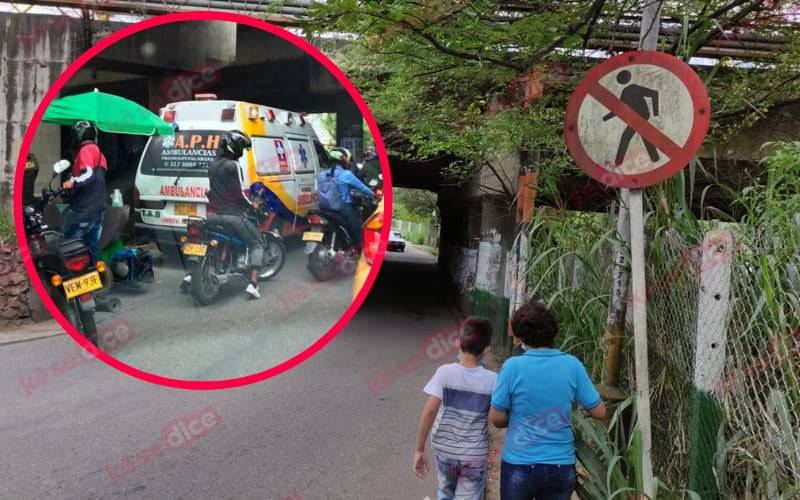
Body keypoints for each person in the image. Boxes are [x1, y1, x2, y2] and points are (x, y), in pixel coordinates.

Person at [489, 300, 606, 500]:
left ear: (521, 335)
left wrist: (519, 417)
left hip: (519, 464)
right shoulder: (572, 365)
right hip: (560, 466)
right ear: (552, 331)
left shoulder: (512, 367)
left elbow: (496, 418)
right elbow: (600, 412)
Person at [413, 317, 498, 500]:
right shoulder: (493, 380)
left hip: (444, 449)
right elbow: (495, 416)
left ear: (457, 343)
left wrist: (419, 449)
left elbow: (429, 411)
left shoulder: (444, 372)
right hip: (473, 454)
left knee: (445, 492)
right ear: (487, 349)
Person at [183, 130, 264, 299]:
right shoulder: (232, 166)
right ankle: (253, 284)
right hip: (232, 216)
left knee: (203, 240)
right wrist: (252, 205)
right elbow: (238, 194)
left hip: (210, 214)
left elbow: (216, 189)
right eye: (241, 148)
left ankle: (190, 274)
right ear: (235, 148)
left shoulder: (213, 164)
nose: (242, 152)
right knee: (257, 243)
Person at [61, 120, 108, 265]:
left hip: (83, 209)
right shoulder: (100, 154)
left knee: (70, 245)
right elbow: (98, 177)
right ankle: (94, 274)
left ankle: (73, 279)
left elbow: (88, 174)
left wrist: (72, 182)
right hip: (98, 208)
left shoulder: (86, 150)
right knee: (92, 246)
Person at [317, 147, 376, 252]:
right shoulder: (346, 174)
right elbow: (362, 188)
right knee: (356, 226)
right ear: (345, 160)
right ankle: (359, 249)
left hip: (322, 207)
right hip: (340, 208)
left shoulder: (322, 174)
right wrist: (373, 195)